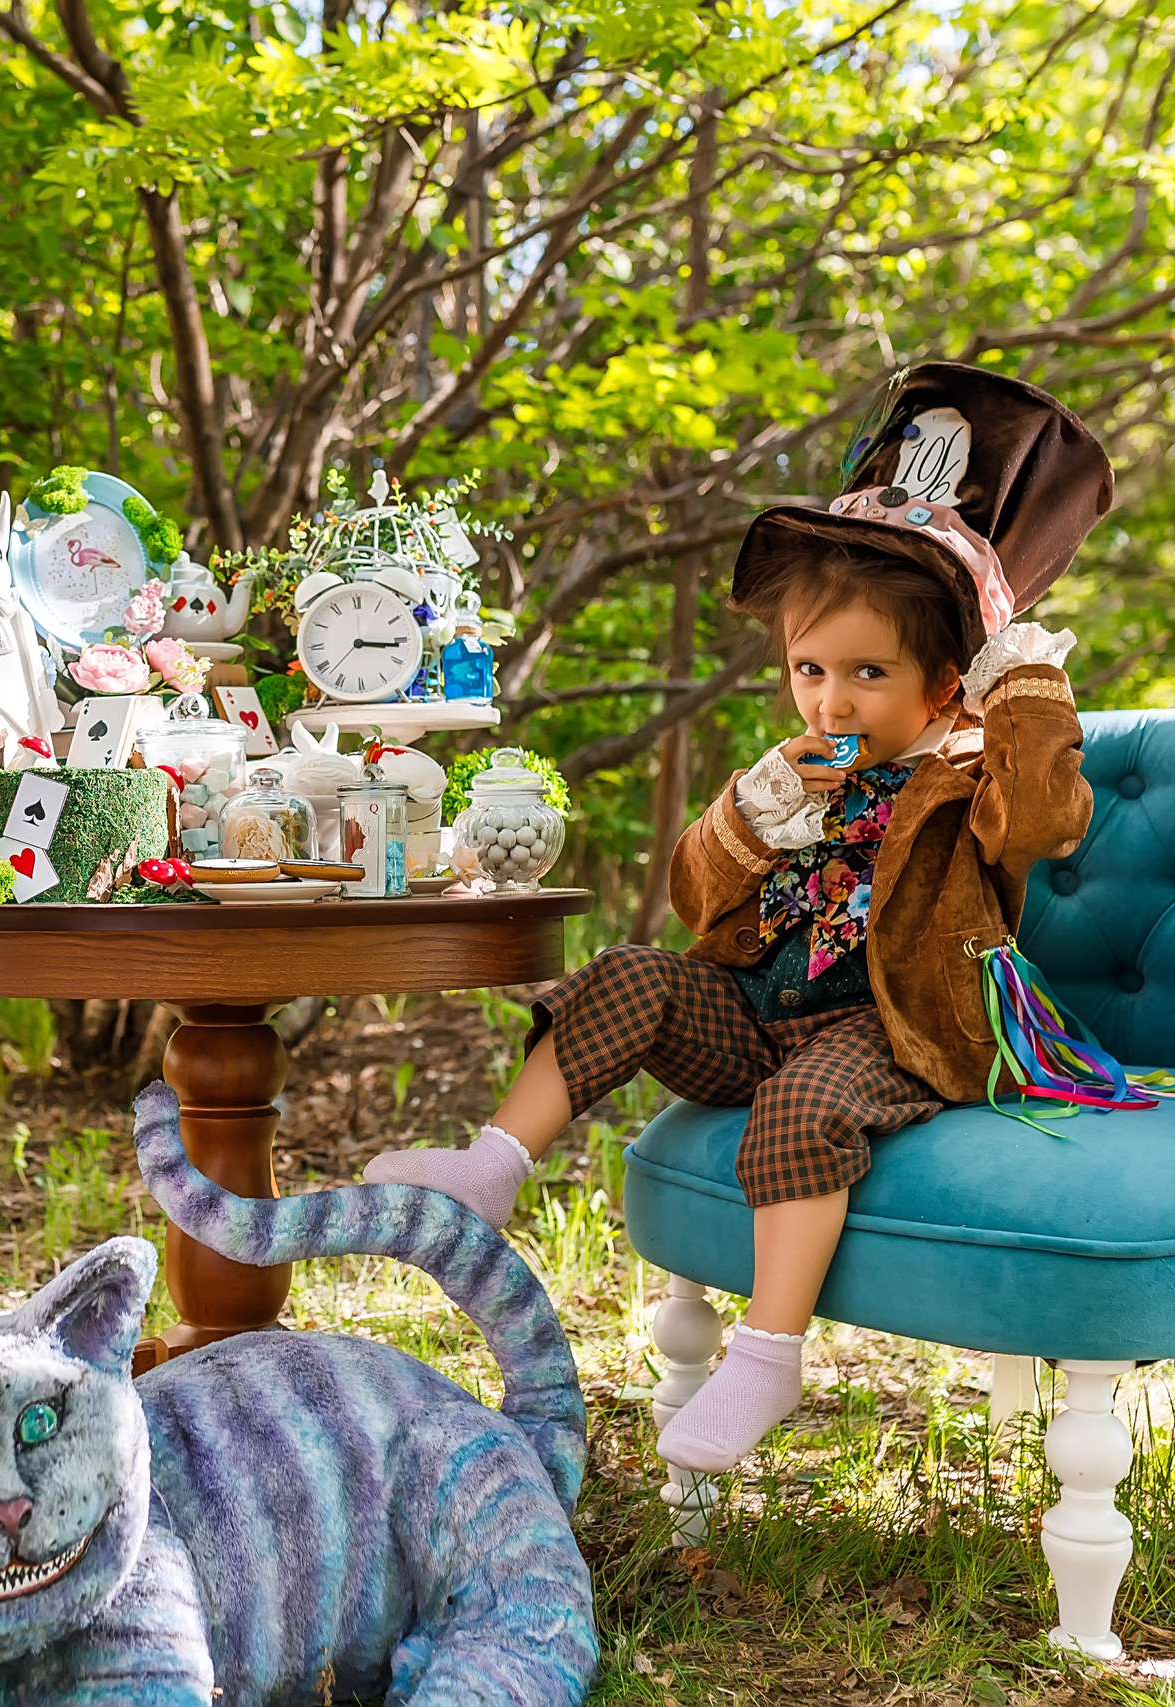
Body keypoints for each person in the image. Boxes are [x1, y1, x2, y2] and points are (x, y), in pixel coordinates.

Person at [364, 363, 1114, 1474]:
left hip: (896, 1028)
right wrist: (754, 812)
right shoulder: (795, 774)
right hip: (760, 1009)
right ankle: (492, 1168)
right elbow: (693, 899)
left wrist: (1024, 691)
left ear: (946, 681)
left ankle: (765, 1357)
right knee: (628, 972)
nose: (831, 701)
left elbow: (1043, 825)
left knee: (805, 1104)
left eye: (867, 672)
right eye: (809, 669)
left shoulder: (972, 775)